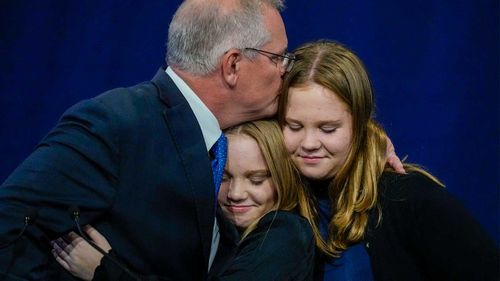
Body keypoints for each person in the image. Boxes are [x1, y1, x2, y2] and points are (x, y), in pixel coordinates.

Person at [0, 0, 293, 279]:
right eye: (278, 58)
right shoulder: (117, 123)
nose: (285, 71)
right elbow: (9, 225)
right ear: (232, 65)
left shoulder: (216, 144)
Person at [277, 40, 499, 280]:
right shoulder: (266, 195)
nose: (309, 143)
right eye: (294, 126)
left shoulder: (410, 198)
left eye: (328, 129)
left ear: (360, 125)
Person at [51, 120, 316, 280]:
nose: (235, 193)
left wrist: (102, 271)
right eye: (223, 178)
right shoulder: (216, 235)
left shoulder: (286, 232)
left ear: (283, 179)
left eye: (256, 180)